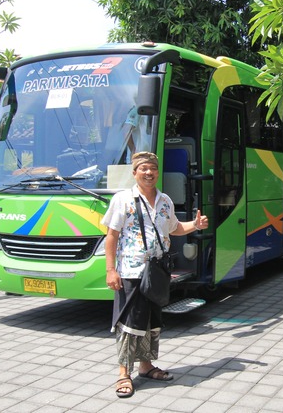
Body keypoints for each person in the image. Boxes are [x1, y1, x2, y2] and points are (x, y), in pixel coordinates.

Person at [101, 151, 208, 398]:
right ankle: (123, 373)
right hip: (131, 271)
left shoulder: (165, 200)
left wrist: (196, 225)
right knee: (130, 325)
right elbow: (112, 237)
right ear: (135, 172)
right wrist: (110, 270)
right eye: (144, 169)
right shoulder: (123, 199)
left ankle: (146, 366)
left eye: (153, 169)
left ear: (158, 172)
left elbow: (175, 228)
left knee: (152, 323)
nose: (149, 173)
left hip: (158, 272)